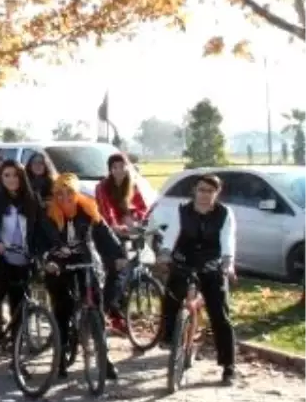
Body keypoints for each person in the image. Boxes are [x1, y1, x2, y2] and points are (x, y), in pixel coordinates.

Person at [40, 172, 127, 380]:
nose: (64, 198)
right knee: (63, 309)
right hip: (59, 265)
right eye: (59, 194)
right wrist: (48, 260)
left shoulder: (88, 209)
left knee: (96, 306)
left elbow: (104, 234)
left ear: (76, 193)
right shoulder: (49, 214)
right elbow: (42, 241)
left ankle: (104, 359)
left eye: (69, 193)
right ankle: (59, 358)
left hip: (86, 261)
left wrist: (118, 255)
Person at [156, 173, 238, 385]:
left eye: (210, 191)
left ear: (216, 194)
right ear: (194, 191)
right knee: (171, 297)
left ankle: (228, 366)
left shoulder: (224, 213)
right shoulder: (182, 211)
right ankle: (168, 336)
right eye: (201, 190)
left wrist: (227, 264)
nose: (204, 195)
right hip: (184, 260)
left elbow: (227, 239)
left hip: (211, 264)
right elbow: (172, 233)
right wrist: (165, 253)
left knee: (220, 314)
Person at [0, 160, 48, 332]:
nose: (11, 179)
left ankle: (16, 338)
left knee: (19, 298)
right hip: (2, 252)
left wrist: (46, 248)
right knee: (3, 282)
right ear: (1, 178)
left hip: (24, 253)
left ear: (22, 177)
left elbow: (42, 227)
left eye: (15, 175)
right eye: (6, 175)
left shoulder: (32, 198)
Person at [95, 152, 150, 332]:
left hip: (127, 232)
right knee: (117, 269)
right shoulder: (102, 186)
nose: (118, 170)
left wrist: (135, 218)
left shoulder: (132, 185)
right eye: (114, 167)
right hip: (104, 231)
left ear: (128, 167)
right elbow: (106, 210)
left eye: (122, 166)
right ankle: (104, 311)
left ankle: (117, 312)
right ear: (110, 169)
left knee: (129, 271)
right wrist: (116, 226)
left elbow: (143, 208)